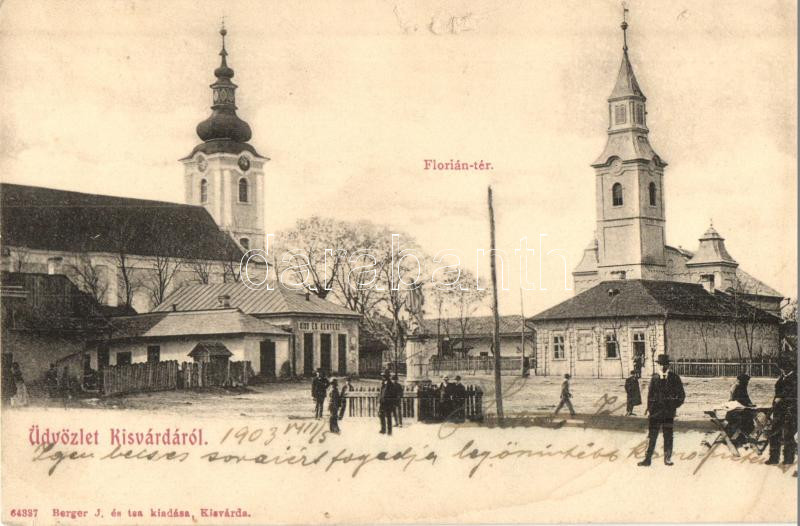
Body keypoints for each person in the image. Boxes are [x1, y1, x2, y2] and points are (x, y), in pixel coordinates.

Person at [638, 354, 685, 467]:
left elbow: (681, 395)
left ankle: (667, 458)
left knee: (668, 435)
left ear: (668, 365)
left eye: (665, 364)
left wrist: (673, 405)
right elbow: (650, 396)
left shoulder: (674, 378)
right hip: (655, 413)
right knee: (652, 436)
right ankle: (647, 459)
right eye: (661, 364)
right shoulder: (654, 378)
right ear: (658, 365)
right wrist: (650, 410)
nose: (663, 366)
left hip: (668, 413)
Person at [766, 353, 797, 466]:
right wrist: (773, 406)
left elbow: (794, 396)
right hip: (778, 410)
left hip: (791, 410)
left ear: (788, 367)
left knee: (789, 434)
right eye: (781, 368)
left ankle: (788, 459)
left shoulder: (795, 378)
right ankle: (774, 458)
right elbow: (777, 395)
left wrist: (782, 399)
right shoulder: (782, 377)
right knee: (774, 433)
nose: (781, 370)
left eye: (782, 368)